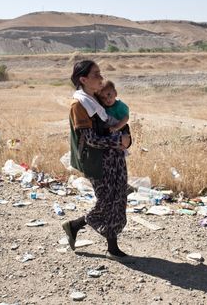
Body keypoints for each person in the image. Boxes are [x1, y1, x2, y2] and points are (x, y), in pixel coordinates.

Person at [62, 60, 132, 261]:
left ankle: (112, 246)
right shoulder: (79, 105)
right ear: (83, 79)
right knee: (105, 201)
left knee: (118, 198)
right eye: (96, 74)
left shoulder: (99, 100)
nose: (101, 78)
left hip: (115, 157)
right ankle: (74, 225)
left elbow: (119, 125)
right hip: (98, 161)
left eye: (101, 73)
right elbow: (91, 139)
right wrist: (119, 140)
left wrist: (127, 140)